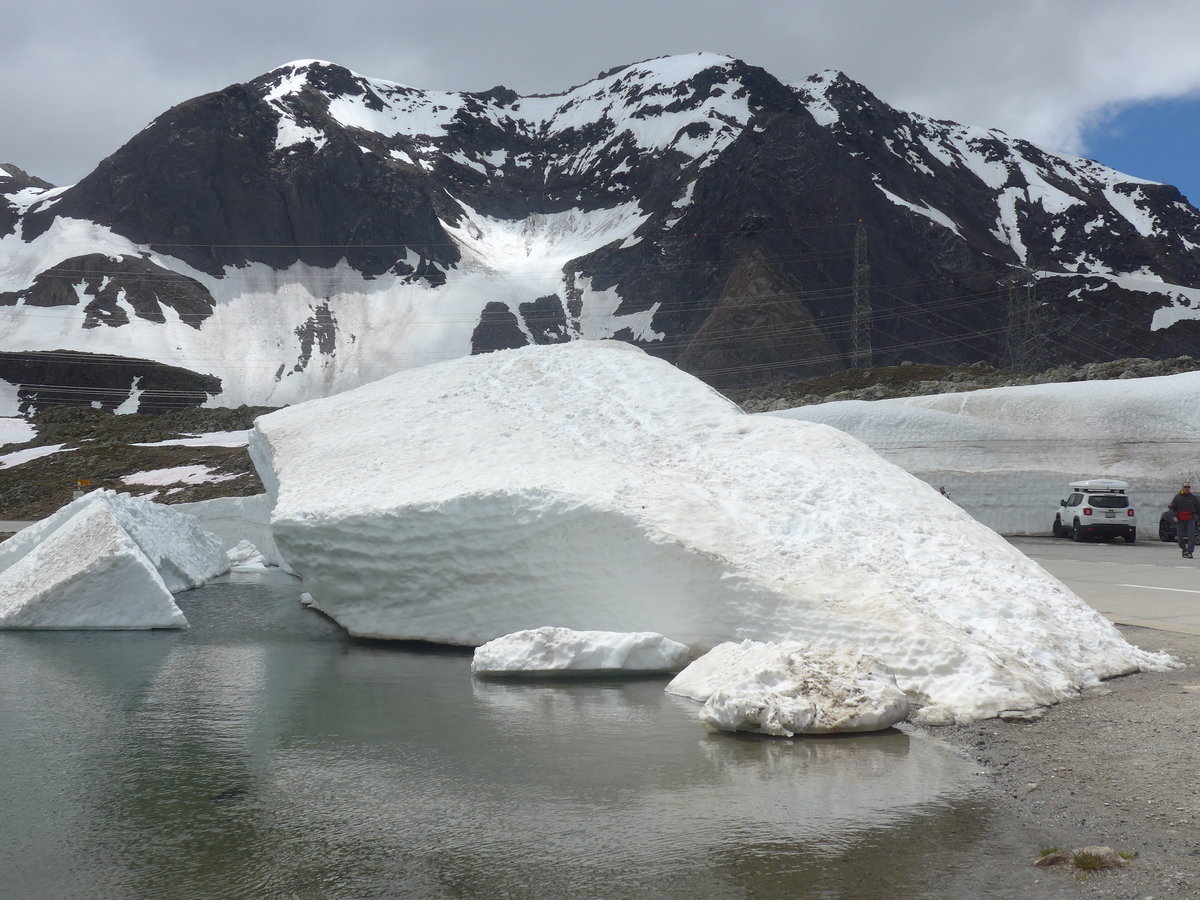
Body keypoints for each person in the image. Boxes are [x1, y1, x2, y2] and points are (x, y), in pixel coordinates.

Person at [1169, 482, 1200, 558]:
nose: (1187, 488)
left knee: (1191, 536)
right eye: (1186, 487)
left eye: (1189, 487)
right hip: (1180, 519)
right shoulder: (1177, 497)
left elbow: (1198, 509)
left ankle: (1190, 552)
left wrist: (1198, 519)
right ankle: (1184, 549)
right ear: (1182, 488)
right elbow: (1172, 507)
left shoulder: (1193, 497)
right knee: (1180, 536)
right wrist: (1174, 516)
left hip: (1191, 518)